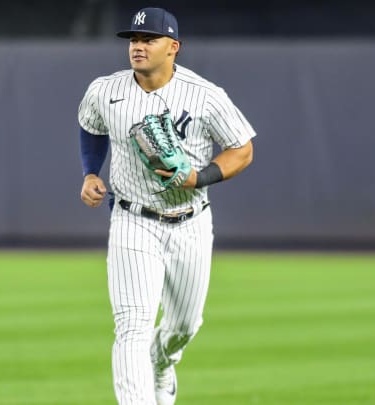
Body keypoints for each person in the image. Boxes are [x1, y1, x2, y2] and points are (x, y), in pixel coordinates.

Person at [77, 7, 255, 405]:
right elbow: (91, 126)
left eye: (148, 40)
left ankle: (162, 362)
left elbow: (242, 150)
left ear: (173, 47)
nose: (137, 47)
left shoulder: (205, 96)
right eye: (133, 40)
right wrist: (91, 173)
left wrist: (199, 177)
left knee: (183, 326)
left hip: (190, 222)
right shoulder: (106, 90)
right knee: (132, 327)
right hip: (132, 220)